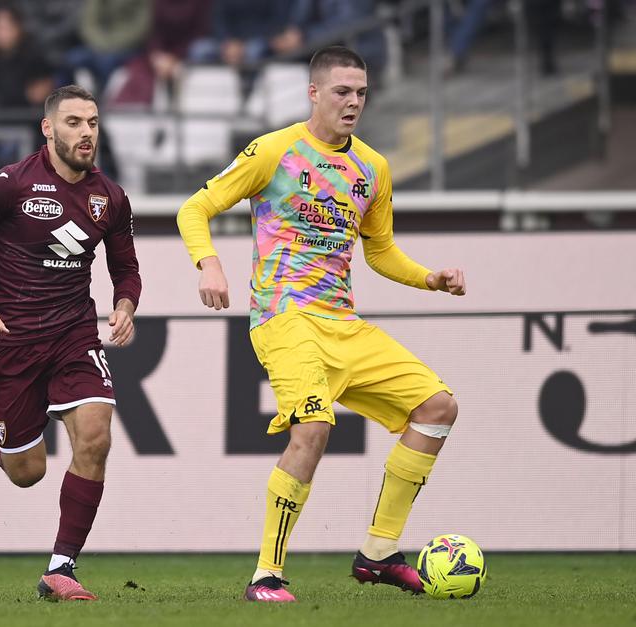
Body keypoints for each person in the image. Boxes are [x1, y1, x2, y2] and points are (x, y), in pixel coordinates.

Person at [176, 45, 466, 603]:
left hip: (343, 324)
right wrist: (208, 263)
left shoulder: (372, 168)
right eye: (341, 91)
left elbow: (380, 252)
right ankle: (266, 574)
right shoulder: (275, 151)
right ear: (314, 93)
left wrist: (430, 278)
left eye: (360, 92)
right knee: (313, 428)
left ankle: (378, 553)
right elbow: (195, 208)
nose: (353, 102)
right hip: (285, 318)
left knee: (437, 407)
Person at [0, 85, 141, 601]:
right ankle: (1, 439)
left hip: (74, 333)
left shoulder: (110, 197)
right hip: (12, 342)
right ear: (47, 129)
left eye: (92, 122)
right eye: (73, 122)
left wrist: (125, 306)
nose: (86, 132)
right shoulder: (10, 184)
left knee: (96, 435)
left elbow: (126, 269)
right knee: (28, 473)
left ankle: (62, 567)